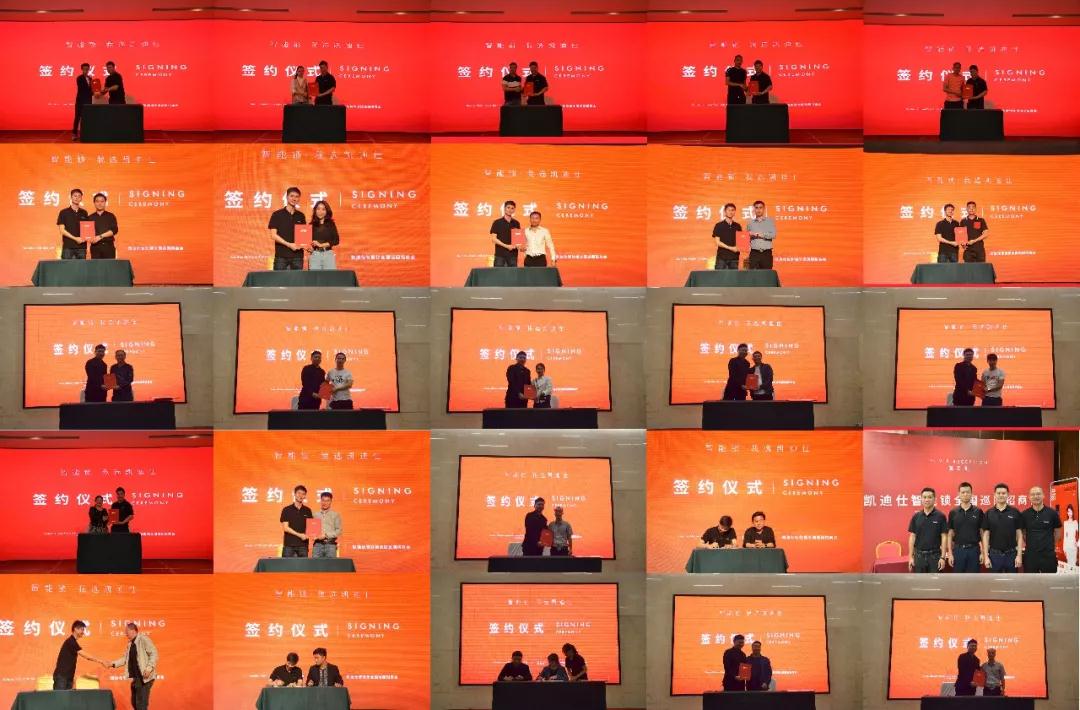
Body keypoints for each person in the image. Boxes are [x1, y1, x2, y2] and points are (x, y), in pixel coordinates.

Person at [108, 623, 158, 710]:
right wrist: (112, 664)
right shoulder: (130, 644)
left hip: (145, 678)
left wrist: (149, 668)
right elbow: (125, 659)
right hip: (137, 678)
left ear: (133, 631)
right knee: (134, 702)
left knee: (141, 704)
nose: (125, 634)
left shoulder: (143, 639)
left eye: (126, 631)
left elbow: (154, 654)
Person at [981, 483, 1023, 573]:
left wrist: (1019, 556)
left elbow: (1019, 535)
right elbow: (986, 536)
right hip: (994, 555)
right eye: (998, 493)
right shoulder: (989, 513)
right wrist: (986, 556)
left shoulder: (1015, 512)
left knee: (1012, 581)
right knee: (994, 581)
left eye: (1003, 493)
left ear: (1008, 494)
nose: (1001, 495)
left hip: (1011, 554)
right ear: (994, 495)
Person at [1021, 486, 1062, 573]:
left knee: (1049, 580)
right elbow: (1023, 533)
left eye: (1038, 494)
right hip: (1031, 555)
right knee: (1031, 580)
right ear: (1029, 497)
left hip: (1048, 555)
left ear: (1043, 495)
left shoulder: (1052, 513)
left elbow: (1058, 533)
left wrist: (1049, 544)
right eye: (1033, 494)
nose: (1036, 496)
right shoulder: (1024, 514)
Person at [53, 620, 104, 690]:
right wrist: (101, 661)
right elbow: (86, 656)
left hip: (68, 677)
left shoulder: (73, 642)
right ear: (75, 629)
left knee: (67, 697)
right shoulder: (70, 642)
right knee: (60, 697)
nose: (83, 632)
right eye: (82, 630)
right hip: (62, 677)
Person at [946, 481, 984, 573]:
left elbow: (982, 533)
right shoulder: (953, 512)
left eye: (968, 492)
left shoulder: (978, 511)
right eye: (963, 492)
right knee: (958, 579)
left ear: (971, 494)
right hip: (958, 550)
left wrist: (983, 552)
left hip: (974, 550)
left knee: (974, 579)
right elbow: (950, 535)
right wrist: (950, 554)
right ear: (959, 494)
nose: (965, 494)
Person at [908, 487, 947, 572]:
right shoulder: (916, 516)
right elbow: (912, 536)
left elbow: (944, 536)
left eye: (930, 497)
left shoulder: (940, 516)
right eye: (924, 497)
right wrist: (910, 557)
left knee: (935, 580)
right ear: (921, 499)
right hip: (919, 557)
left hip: (935, 557)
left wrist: (943, 557)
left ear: (934, 499)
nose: (927, 500)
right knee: (919, 580)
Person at [268, 187, 308, 270]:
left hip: (297, 257)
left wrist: (307, 246)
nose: (294, 198)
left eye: (296, 196)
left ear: (299, 199)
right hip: (281, 257)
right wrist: (289, 244)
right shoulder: (277, 214)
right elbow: (273, 235)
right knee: (279, 278)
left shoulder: (301, 216)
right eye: (291, 196)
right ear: (287, 197)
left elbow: (303, 237)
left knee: (297, 278)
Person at [280, 485, 313, 558]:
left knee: (303, 565)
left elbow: (311, 528)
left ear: (305, 496)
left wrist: (311, 535)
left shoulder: (308, 510)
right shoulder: (286, 509)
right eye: (299, 493)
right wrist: (300, 535)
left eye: (303, 494)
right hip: (289, 546)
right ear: (294, 494)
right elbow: (286, 528)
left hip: (303, 546)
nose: (301, 496)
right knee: (287, 565)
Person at [57, 188, 91, 259]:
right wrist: (75, 238)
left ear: (81, 198)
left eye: (79, 196)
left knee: (81, 266)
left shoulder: (84, 212)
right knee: (67, 266)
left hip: (81, 247)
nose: (77, 198)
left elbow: (87, 230)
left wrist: (85, 238)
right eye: (75, 196)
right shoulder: (63, 212)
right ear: (71, 197)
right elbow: (62, 230)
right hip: (68, 247)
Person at [309, 200, 339, 271]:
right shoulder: (311, 225)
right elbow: (307, 242)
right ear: (315, 210)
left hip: (328, 254)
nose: (320, 211)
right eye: (318, 209)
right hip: (315, 254)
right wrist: (308, 248)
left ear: (327, 211)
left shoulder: (331, 224)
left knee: (330, 277)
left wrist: (321, 245)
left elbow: (336, 240)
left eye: (323, 209)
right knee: (314, 277)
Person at [745, 200, 776, 270]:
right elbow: (746, 238)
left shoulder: (770, 221)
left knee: (766, 274)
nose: (758, 210)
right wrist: (749, 235)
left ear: (764, 209)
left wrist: (760, 235)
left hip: (766, 253)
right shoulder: (750, 223)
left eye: (760, 207)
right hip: (754, 253)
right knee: (753, 274)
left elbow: (773, 235)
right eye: (756, 208)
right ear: (754, 209)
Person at [711, 203, 742, 270]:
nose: (730, 212)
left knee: (734, 276)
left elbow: (740, 242)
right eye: (729, 210)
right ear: (725, 212)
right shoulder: (719, 225)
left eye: (732, 210)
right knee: (720, 276)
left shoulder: (738, 226)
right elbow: (717, 242)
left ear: (734, 212)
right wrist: (731, 248)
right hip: (722, 258)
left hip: (734, 258)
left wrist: (742, 247)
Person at [490, 200, 521, 267]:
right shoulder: (497, 222)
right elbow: (494, 239)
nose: (510, 210)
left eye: (512, 208)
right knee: (499, 273)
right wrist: (506, 246)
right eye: (508, 207)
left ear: (514, 210)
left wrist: (519, 246)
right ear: (504, 208)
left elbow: (518, 240)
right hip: (500, 255)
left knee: (513, 273)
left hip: (513, 255)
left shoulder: (516, 223)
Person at [88, 193, 119, 259]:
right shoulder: (90, 217)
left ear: (105, 203)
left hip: (108, 247)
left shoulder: (111, 216)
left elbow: (114, 230)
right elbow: (87, 233)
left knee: (109, 265)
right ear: (94, 203)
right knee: (96, 265)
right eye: (97, 201)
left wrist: (100, 236)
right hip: (95, 247)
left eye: (102, 201)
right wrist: (89, 239)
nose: (100, 203)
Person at [312, 491, 343, 558]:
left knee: (330, 564)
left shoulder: (335, 515)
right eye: (323, 500)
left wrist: (326, 535)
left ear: (331, 501)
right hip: (317, 545)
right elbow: (312, 530)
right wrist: (313, 535)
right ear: (320, 501)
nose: (325, 503)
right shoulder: (315, 515)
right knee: (315, 564)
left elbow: (339, 531)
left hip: (330, 545)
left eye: (327, 501)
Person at [73, 63, 93, 140]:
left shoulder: (90, 78)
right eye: (84, 69)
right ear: (82, 69)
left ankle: (85, 134)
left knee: (86, 118)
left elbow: (91, 90)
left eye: (87, 69)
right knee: (77, 117)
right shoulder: (79, 78)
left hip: (88, 101)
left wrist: (96, 92)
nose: (86, 70)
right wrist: (93, 91)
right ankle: (74, 134)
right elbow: (83, 89)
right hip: (80, 101)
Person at [1064, 504, 1078, 568]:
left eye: (1071, 511)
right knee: (1069, 564)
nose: (1070, 513)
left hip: (1073, 546)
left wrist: (1078, 543)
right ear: (1067, 512)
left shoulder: (1075, 522)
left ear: (1073, 512)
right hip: (1067, 546)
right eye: (1068, 511)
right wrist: (1064, 548)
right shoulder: (1065, 523)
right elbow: (1065, 536)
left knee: (1073, 564)